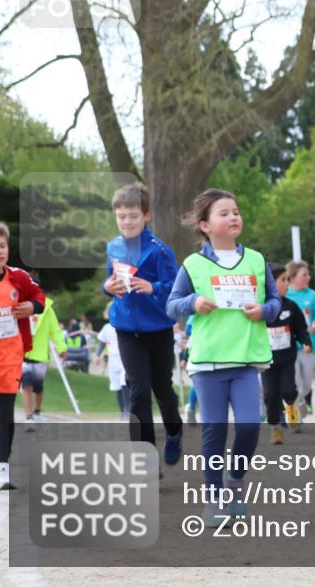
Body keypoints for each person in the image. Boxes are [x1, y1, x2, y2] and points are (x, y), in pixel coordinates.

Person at [167, 188, 281, 524]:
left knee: (249, 427)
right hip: (208, 361)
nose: (234, 217)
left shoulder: (257, 261)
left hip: (246, 359)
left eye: (236, 211)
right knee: (214, 431)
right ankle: (213, 497)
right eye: (224, 213)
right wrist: (193, 303)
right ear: (205, 225)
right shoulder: (194, 264)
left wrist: (264, 310)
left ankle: (235, 481)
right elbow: (172, 304)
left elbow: (275, 303)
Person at [102, 182, 184, 464]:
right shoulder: (112, 246)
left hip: (157, 328)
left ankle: (174, 431)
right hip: (125, 328)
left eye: (133, 216)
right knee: (137, 389)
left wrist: (153, 287)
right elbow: (109, 279)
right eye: (122, 216)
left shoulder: (159, 250)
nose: (127, 222)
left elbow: (176, 286)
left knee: (162, 389)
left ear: (146, 215)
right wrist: (107, 287)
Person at [0, 220, 46, 489]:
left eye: (2, 245)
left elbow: (39, 297)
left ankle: (2, 466)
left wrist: (31, 307)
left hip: (11, 356)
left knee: (4, 413)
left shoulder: (18, 278)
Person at [264, 265, 312, 444]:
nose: (286, 284)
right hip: (266, 361)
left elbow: (300, 328)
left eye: (286, 279)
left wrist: (306, 341)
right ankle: (275, 429)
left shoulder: (291, 306)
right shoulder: (262, 309)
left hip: (286, 359)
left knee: (288, 391)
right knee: (270, 395)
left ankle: (291, 406)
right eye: (282, 280)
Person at [283, 260, 315, 417]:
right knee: (296, 383)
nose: (308, 277)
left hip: (309, 346)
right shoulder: (285, 294)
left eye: (308, 274)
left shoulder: (312, 295)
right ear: (292, 277)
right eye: (304, 274)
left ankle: (295, 403)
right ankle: (292, 410)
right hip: (289, 347)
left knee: (307, 386)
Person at [21, 293, 68, 428]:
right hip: (23, 354)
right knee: (26, 386)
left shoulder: (47, 309)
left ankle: (37, 411)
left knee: (38, 388)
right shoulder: (20, 305)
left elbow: (55, 330)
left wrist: (62, 348)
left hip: (40, 355)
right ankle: (29, 417)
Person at [95, 301, 128, 420]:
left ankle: (128, 410)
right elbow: (102, 343)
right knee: (117, 385)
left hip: (125, 358)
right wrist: (97, 355)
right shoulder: (107, 328)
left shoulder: (125, 325)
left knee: (125, 382)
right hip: (113, 360)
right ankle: (122, 410)